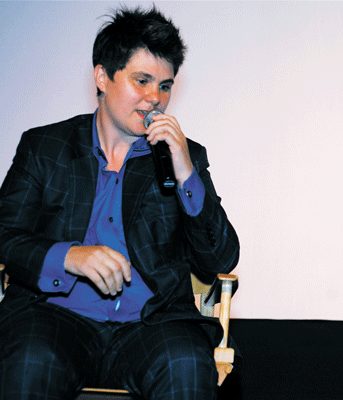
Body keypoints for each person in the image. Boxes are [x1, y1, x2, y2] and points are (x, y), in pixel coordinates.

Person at [0, 6, 239, 400]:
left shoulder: (183, 157)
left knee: (186, 363)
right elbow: (5, 236)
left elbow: (218, 259)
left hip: (151, 325)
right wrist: (68, 256)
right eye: (141, 81)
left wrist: (185, 174)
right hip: (55, 316)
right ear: (102, 76)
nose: (154, 99)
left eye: (165, 85)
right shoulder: (46, 147)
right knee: (31, 358)